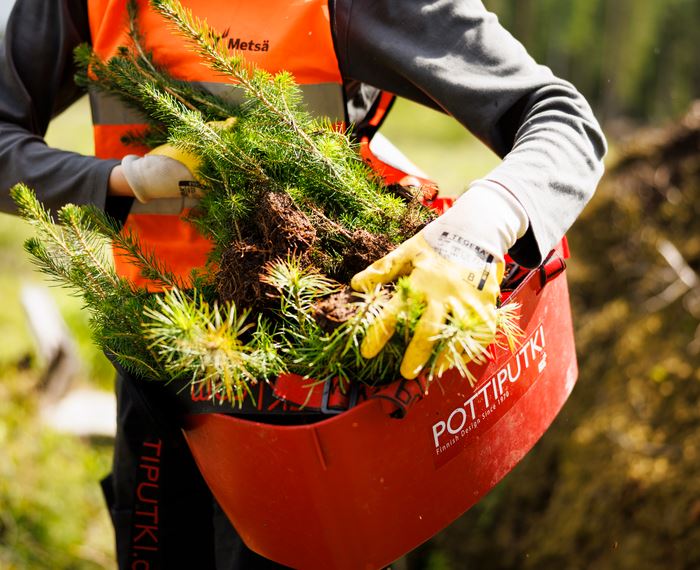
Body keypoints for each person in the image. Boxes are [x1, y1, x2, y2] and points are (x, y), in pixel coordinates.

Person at [0, 0, 606, 568]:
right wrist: (124, 181)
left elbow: (563, 118)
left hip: (311, 374)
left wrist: (474, 233)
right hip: (158, 360)